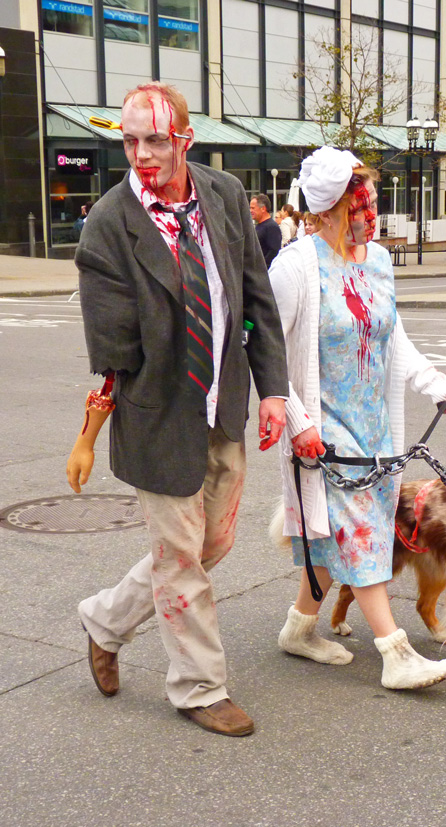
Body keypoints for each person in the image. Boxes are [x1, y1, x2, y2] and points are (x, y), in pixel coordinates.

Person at [66, 82, 288, 737]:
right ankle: (198, 685)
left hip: (223, 406)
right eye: (129, 141)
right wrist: (87, 434)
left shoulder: (221, 196)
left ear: (186, 140)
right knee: (182, 559)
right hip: (157, 417)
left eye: (155, 140)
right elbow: (112, 353)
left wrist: (273, 388)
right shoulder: (108, 225)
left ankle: (105, 619)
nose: (140, 154)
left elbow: (256, 298)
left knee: (206, 545)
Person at [268, 146, 446, 690]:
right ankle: (396, 653)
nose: (372, 216)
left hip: (376, 427)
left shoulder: (377, 261)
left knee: (344, 535)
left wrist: (439, 387)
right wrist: (295, 418)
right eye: (362, 206)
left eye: (375, 203)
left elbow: (392, 341)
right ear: (328, 209)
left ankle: (299, 629)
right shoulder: (295, 267)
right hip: (322, 428)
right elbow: (259, 351)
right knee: (363, 531)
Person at [249, 193, 282, 268]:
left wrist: (262, 268)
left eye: (253, 208)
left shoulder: (271, 227)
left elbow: (274, 251)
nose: (250, 211)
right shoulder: (259, 225)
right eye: (250, 208)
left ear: (263, 209)